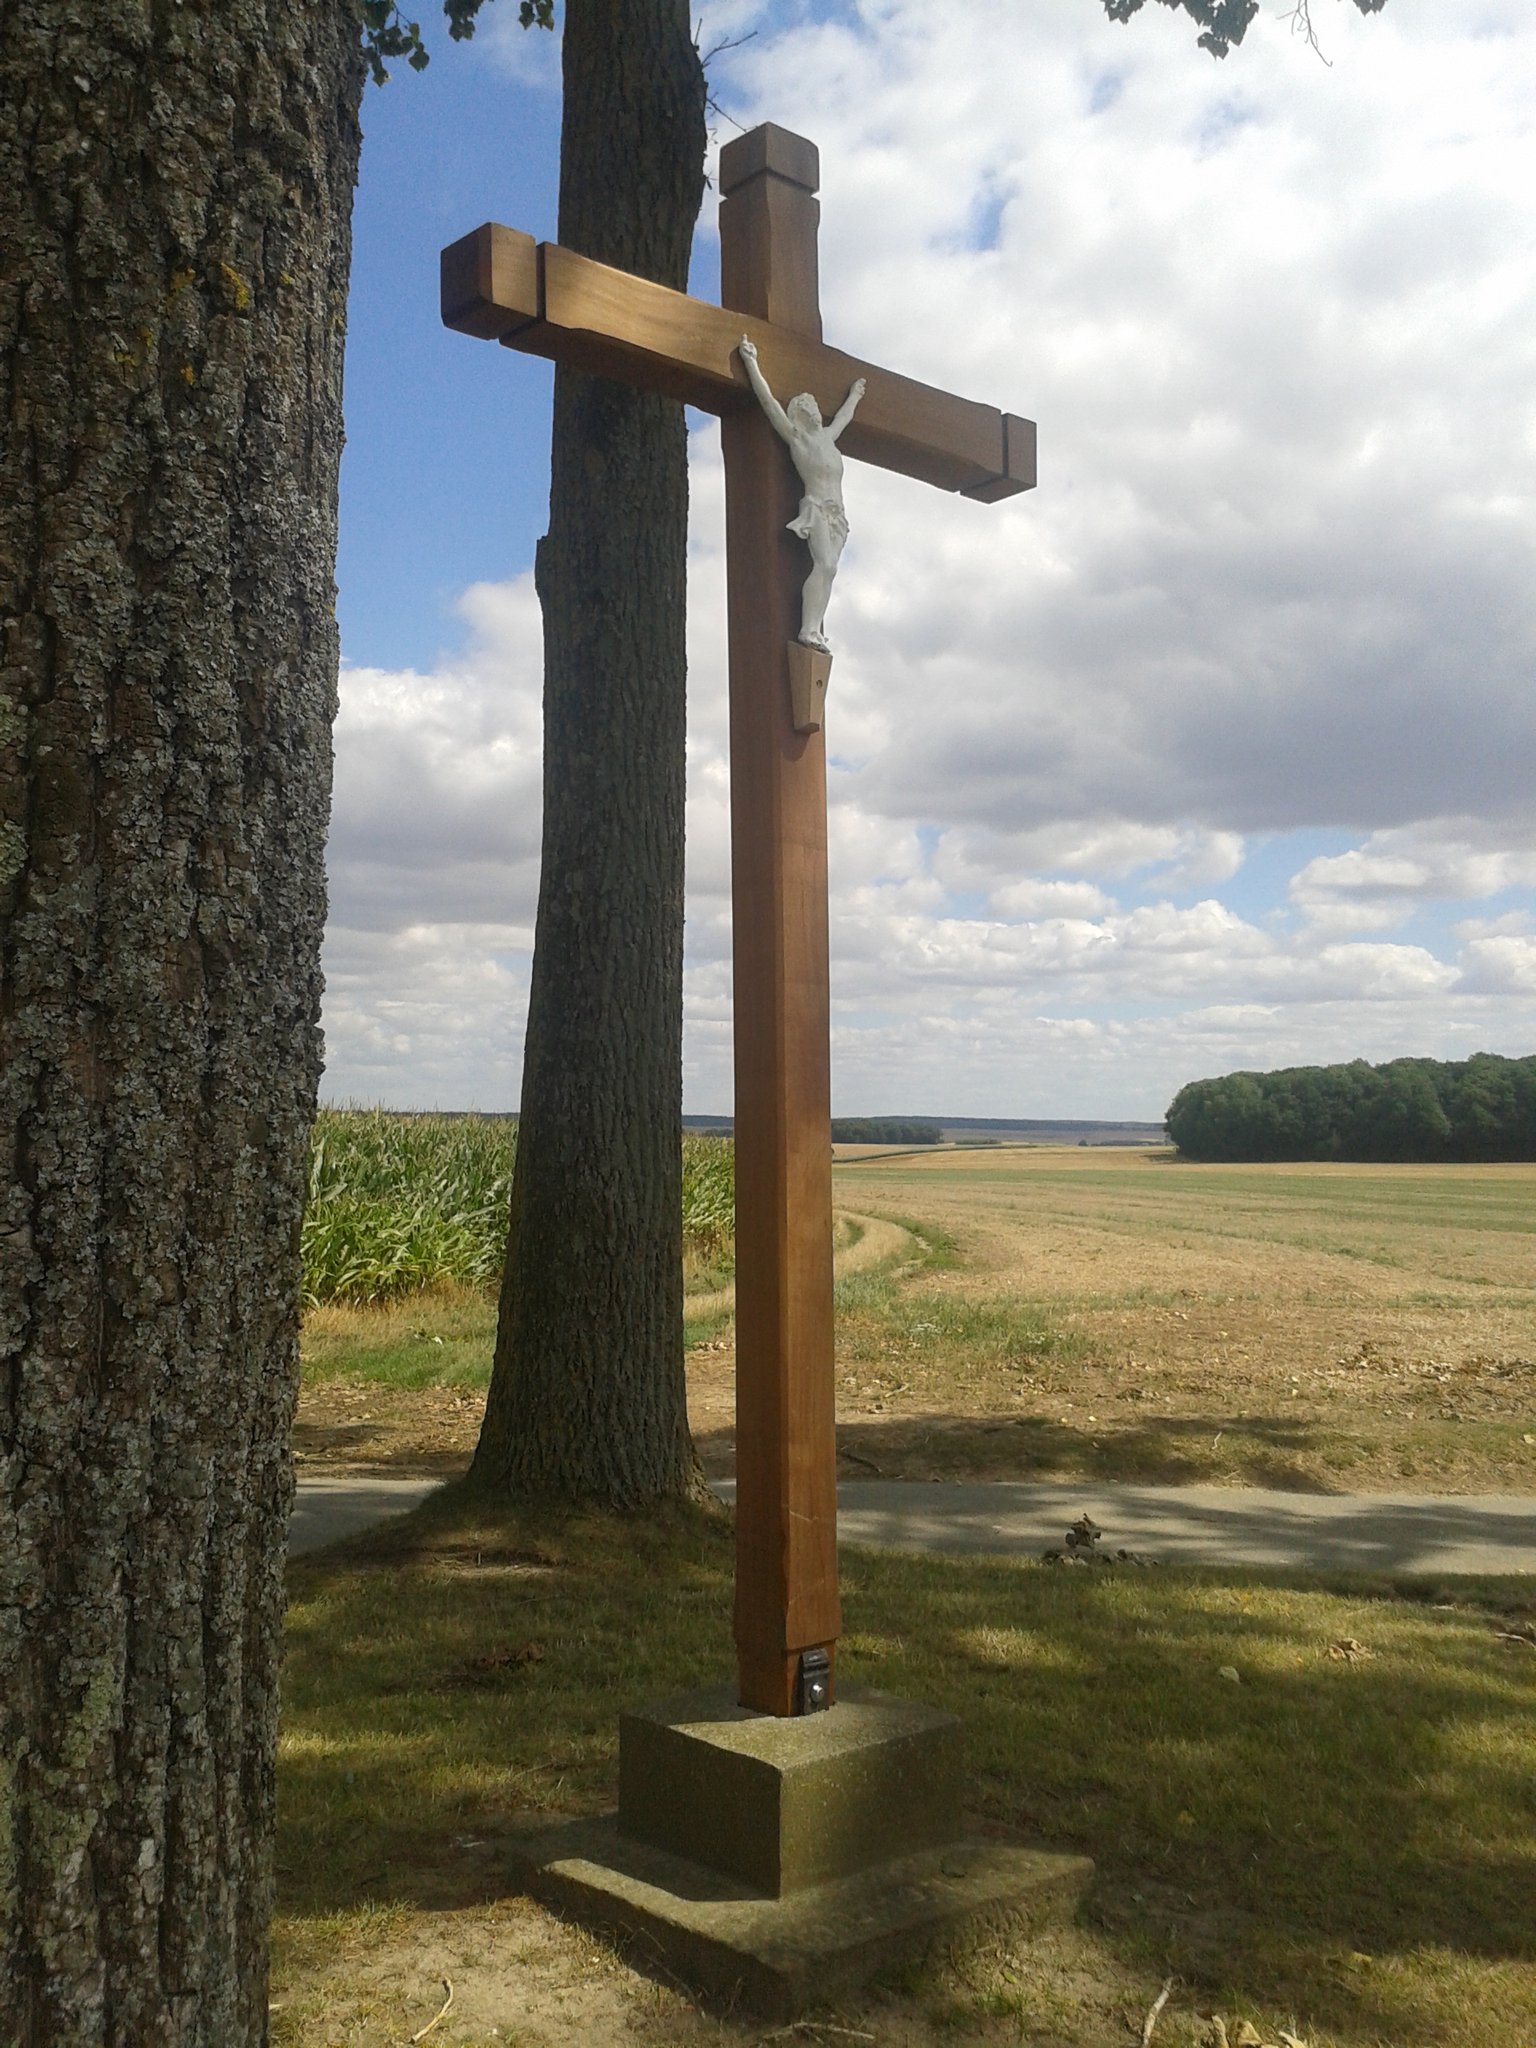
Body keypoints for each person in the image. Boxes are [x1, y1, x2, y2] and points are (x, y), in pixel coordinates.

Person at [738, 336, 865, 652]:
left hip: (838, 514)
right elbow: (768, 402)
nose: (814, 410)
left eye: (814, 406)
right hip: (816, 507)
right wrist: (751, 362)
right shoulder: (796, 438)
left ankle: (816, 631)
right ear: (799, 414)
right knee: (825, 565)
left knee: (830, 571)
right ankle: (808, 629)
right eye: (807, 407)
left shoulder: (828, 437)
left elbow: (844, 416)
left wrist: (855, 395)